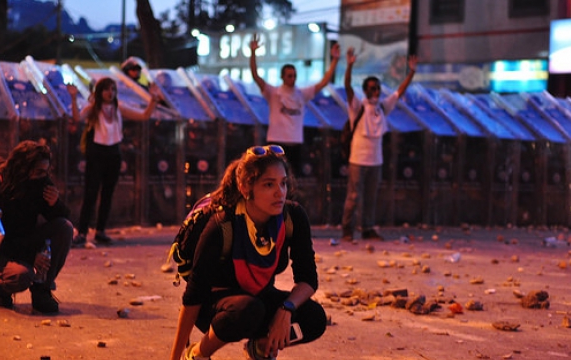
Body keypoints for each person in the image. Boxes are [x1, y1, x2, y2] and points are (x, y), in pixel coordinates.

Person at [169, 145, 326, 360]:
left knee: (314, 318)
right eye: (268, 185)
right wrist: (174, 357)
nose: (279, 192)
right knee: (249, 309)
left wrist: (286, 309)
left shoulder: (293, 217)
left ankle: (260, 347)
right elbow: (193, 296)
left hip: (258, 299)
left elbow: (308, 279)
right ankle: (198, 353)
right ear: (245, 187)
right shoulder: (223, 225)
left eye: (283, 183)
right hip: (218, 310)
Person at [67, 77, 159, 247]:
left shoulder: (118, 108)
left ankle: (100, 230)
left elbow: (144, 116)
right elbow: (77, 118)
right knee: (90, 193)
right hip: (96, 152)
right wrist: (73, 97)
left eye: (113, 89)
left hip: (113, 152)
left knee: (107, 194)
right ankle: (82, 232)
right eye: (107, 89)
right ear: (99, 92)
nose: (110, 93)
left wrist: (153, 99)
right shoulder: (93, 108)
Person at [341, 48, 418, 242]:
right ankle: (347, 230)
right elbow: (348, 87)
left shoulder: (383, 108)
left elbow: (399, 92)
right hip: (358, 160)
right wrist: (349, 65)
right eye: (373, 88)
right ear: (366, 90)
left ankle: (367, 229)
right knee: (353, 197)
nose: (377, 91)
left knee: (370, 198)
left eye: (378, 88)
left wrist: (412, 72)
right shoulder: (358, 107)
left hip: (376, 161)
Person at [0, 141, 73, 313]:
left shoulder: (40, 182)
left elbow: (62, 218)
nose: (43, 176)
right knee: (20, 276)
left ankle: (42, 289)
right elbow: (1, 236)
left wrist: (55, 204)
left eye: (45, 172)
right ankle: (0, 289)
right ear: (24, 168)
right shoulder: (1, 182)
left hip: (25, 240)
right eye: (39, 171)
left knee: (64, 227)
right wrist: (31, 256)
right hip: (2, 247)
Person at [249, 35, 340, 175]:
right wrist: (253, 53)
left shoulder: (301, 94)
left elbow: (323, 83)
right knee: (273, 175)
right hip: (276, 142)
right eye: (289, 75)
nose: (292, 78)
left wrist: (335, 60)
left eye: (294, 75)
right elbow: (256, 76)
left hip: (295, 142)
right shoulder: (274, 93)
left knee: (292, 178)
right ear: (283, 76)